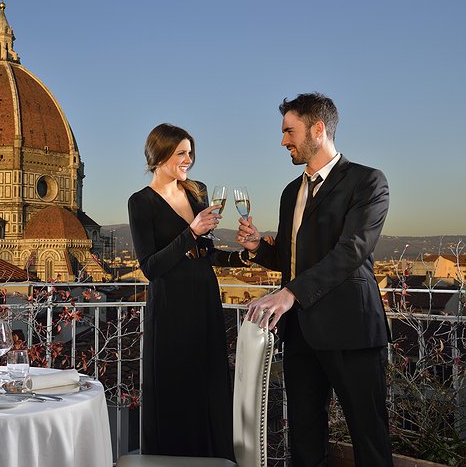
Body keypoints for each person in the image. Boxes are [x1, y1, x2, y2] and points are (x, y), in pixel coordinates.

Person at [237, 92, 393, 466]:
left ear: (318, 129)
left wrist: (290, 294)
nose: (283, 141)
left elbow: (351, 251)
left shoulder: (368, 181)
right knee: (304, 441)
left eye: (289, 131)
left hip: (352, 331)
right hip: (302, 334)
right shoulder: (291, 192)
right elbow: (292, 261)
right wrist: (259, 246)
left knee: (369, 439)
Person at [128, 123, 249, 459]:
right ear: (159, 154)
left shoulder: (198, 191)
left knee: (208, 386)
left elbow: (206, 253)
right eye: (181, 153)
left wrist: (245, 254)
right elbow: (151, 267)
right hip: (169, 308)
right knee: (174, 390)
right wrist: (191, 232)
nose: (188, 160)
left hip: (205, 300)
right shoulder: (141, 202)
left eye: (190, 152)